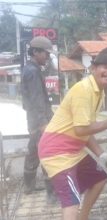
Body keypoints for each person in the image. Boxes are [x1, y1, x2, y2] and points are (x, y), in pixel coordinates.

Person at [38, 46, 107, 220]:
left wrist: (101, 154)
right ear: (93, 68)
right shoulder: (83, 90)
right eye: (105, 67)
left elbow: (85, 129)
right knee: (71, 201)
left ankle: (83, 217)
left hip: (72, 150)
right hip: (57, 153)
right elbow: (81, 130)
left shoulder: (98, 92)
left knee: (99, 178)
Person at [20, 36, 56, 203]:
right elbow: (36, 101)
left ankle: (29, 187)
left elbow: (30, 101)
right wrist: (43, 124)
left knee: (33, 153)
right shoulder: (33, 72)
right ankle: (52, 195)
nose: (47, 57)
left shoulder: (30, 69)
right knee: (47, 154)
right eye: (45, 54)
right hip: (39, 122)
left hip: (34, 121)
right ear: (35, 52)